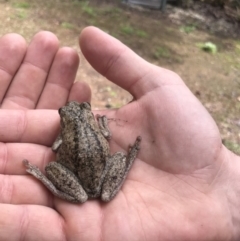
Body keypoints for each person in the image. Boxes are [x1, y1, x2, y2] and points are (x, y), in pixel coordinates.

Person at [0, 26, 239, 241]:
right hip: (100, 177)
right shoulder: (93, 124)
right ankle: (63, 177)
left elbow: (54, 149)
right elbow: (105, 135)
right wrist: (103, 124)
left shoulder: (63, 133)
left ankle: (43, 179)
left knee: (54, 169)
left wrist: (56, 147)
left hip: (80, 181)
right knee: (118, 159)